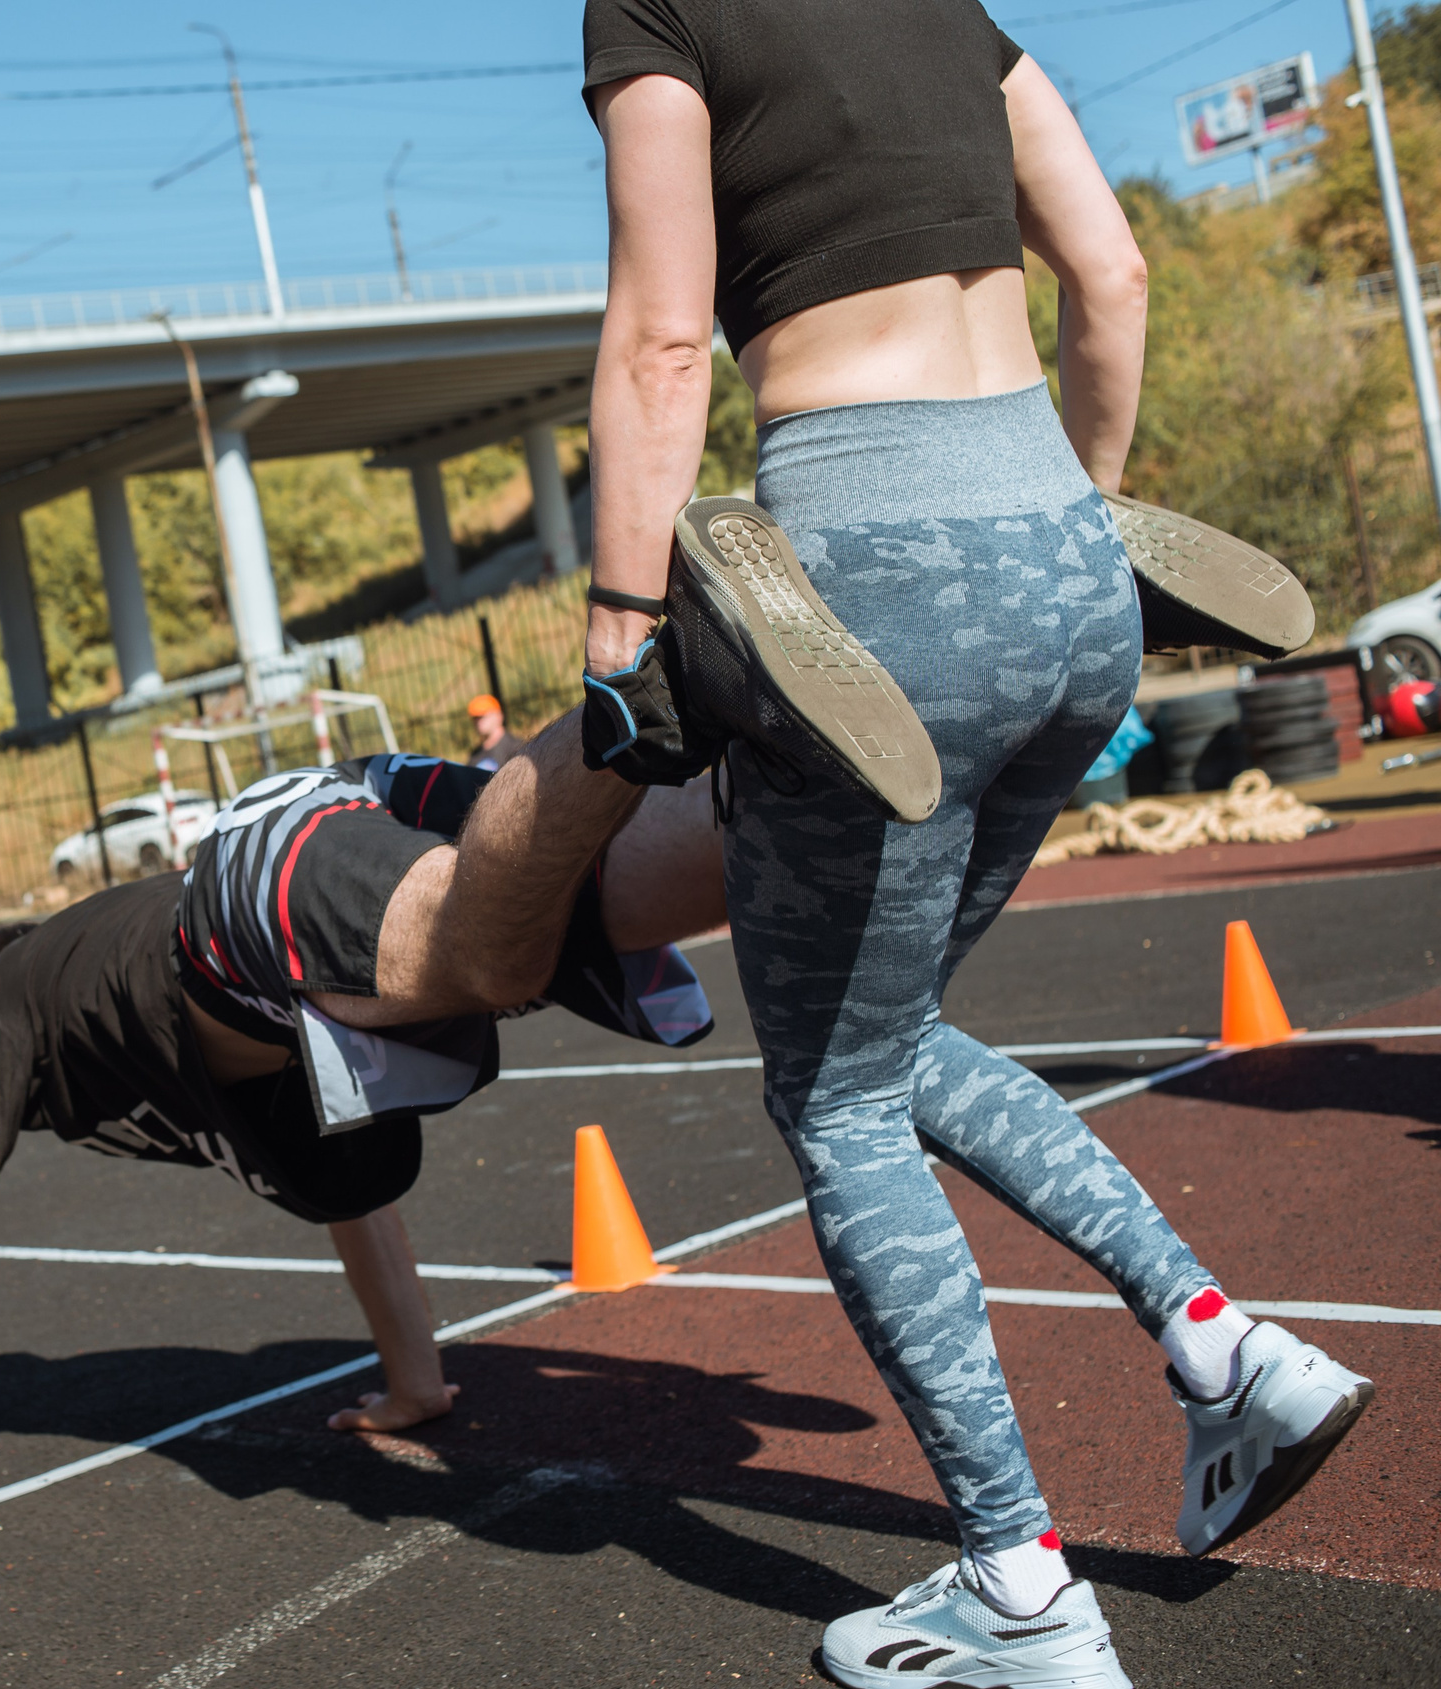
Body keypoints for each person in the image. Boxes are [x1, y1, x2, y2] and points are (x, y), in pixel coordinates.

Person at [577, 4, 1370, 1681]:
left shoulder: (657, 9)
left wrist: (617, 633)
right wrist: (1060, 525)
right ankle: (1225, 1346)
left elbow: (662, 337)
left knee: (835, 1091)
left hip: (868, 575)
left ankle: (1019, 1586)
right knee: (895, 1033)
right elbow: (1116, 274)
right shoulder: (947, 9)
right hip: (1069, 575)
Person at [0, 714, 729, 1514]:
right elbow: (355, 1199)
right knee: (582, 906)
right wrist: (412, 1385)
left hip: (251, 891)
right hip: (286, 925)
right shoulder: (111, 1014)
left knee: (520, 918)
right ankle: (772, 782)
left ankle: (662, 684)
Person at [467, 693, 526, 772]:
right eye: (475, 718)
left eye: (482, 716)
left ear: (499, 716)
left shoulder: (517, 747)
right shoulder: (475, 755)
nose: (478, 721)